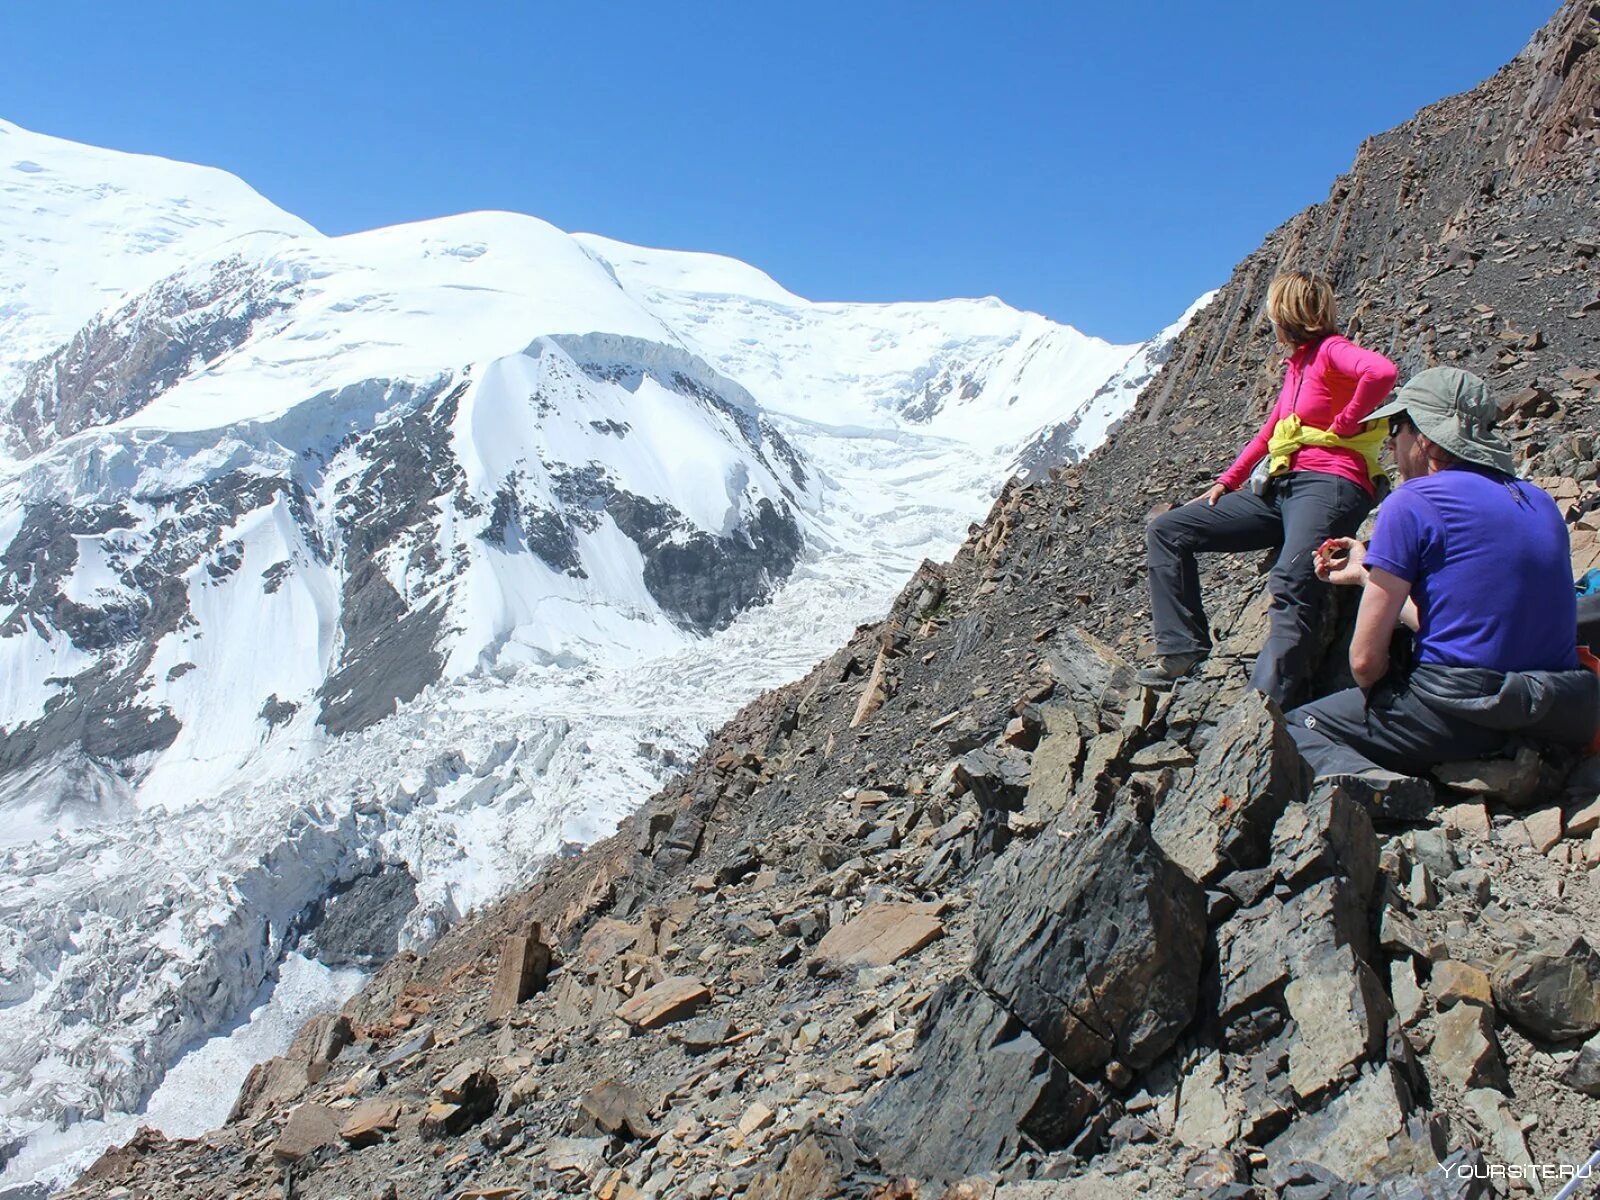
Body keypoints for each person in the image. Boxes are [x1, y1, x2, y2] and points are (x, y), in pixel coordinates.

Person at [1287, 367, 1600, 792]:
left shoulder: (1412, 501)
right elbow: (1469, 624)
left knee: (1295, 729)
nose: (1391, 442)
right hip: (1560, 711)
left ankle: (1384, 788)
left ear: (1428, 438)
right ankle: (1514, 763)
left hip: (1460, 713)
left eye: (1397, 427)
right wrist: (1366, 574)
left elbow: (1364, 663)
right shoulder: (1540, 502)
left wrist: (1384, 699)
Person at [1139, 272, 1399, 708]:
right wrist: (1227, 481)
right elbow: (1270, 433)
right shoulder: (1298, 366)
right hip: (1282, 488)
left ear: (1286, 314)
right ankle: (1182, 649)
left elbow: (1382, 372)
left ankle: (1263, 712)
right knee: (1168, 530)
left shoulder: (1332, 351)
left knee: (1292, 581)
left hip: (1330, 485)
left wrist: (1348, 419)